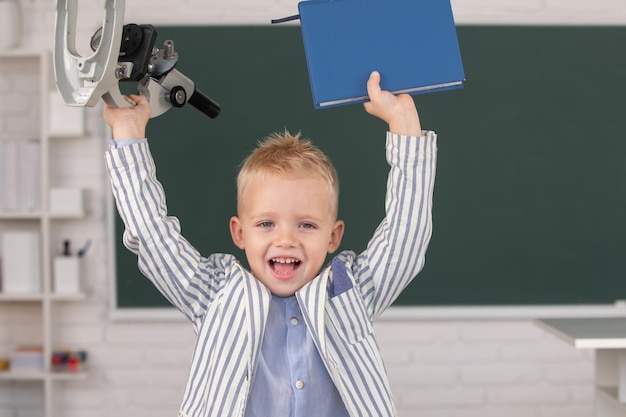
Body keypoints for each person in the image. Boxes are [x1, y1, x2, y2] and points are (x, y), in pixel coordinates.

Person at [103, 70, 437, 417]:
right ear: (240, 233)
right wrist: (128, 133)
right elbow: (153, 235)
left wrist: (404, 126)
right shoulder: (214, 293)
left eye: (306, 225)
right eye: (266, 224)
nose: (286, 239)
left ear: (333, 237)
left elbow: (405, 237)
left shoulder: (350, 290)